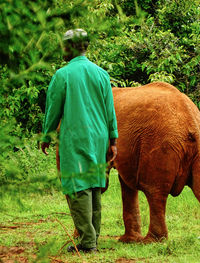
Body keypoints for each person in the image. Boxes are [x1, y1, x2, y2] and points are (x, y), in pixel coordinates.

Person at [41, 29, 118, 253]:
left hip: (76, 136)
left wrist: (46, 136)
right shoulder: (101, 74)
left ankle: (87, 243)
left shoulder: (62, 75)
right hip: (99, 136)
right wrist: (113, 139)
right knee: (94, 184)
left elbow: (53, 109)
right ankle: (93, 238)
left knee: (77, 186)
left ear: (70, 47)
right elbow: (109, 110)